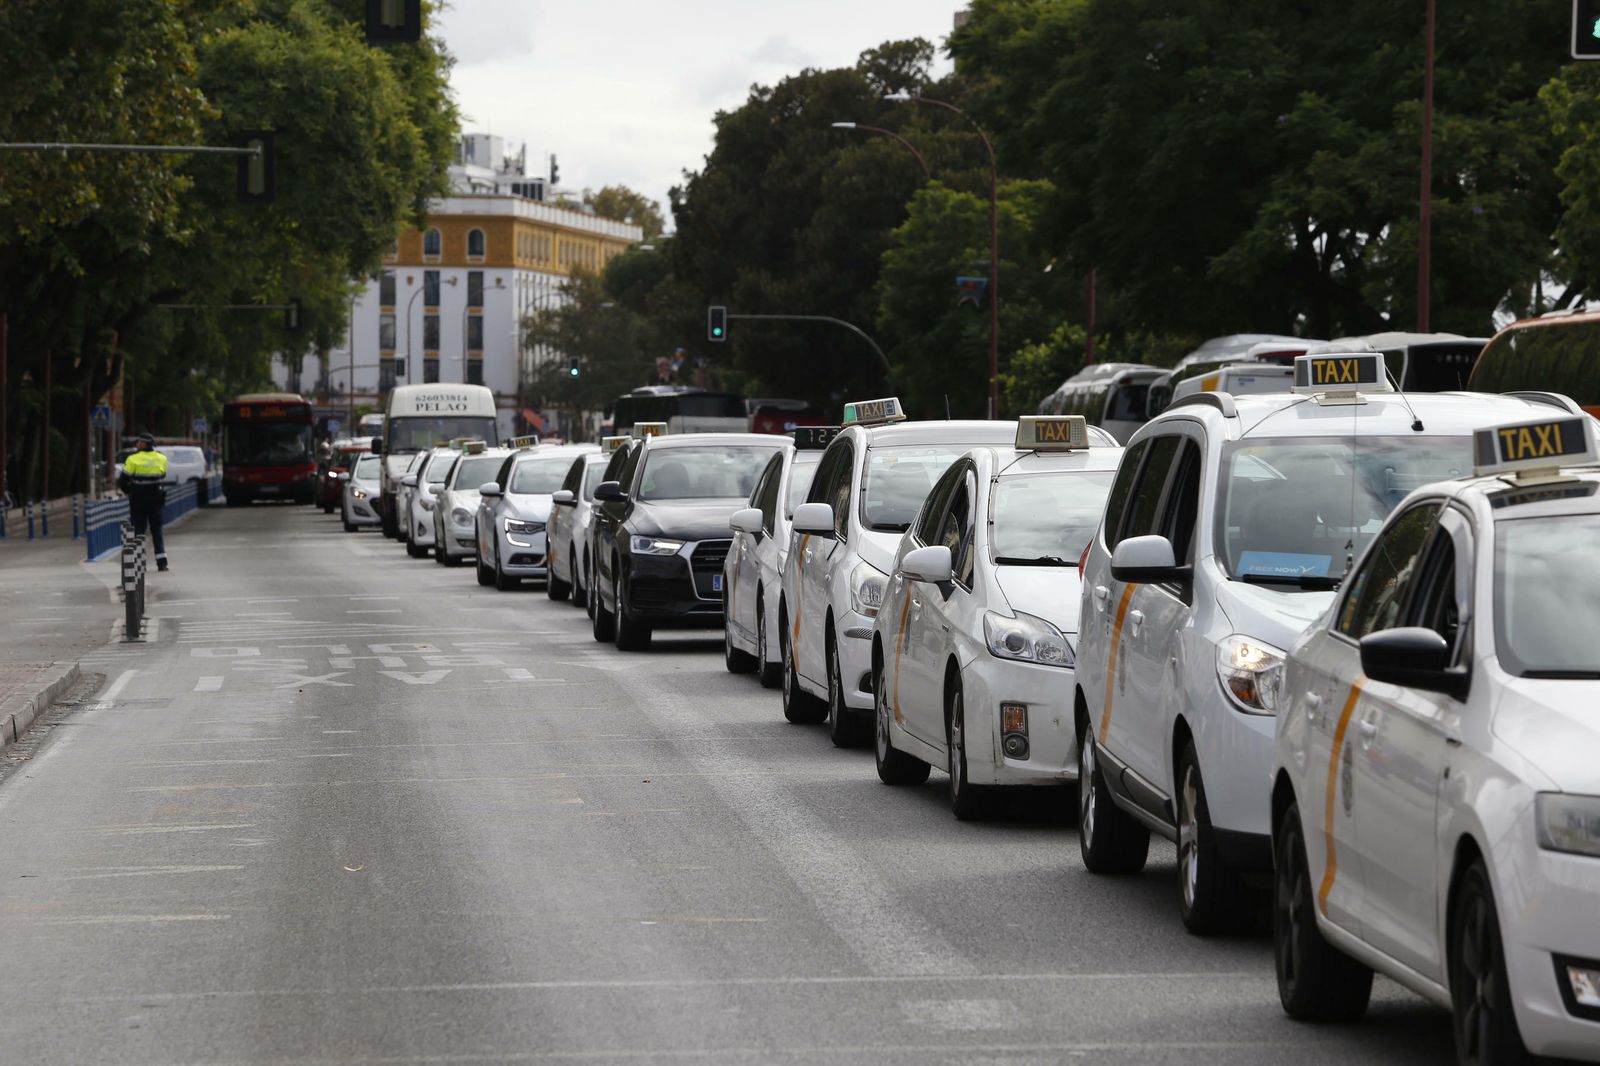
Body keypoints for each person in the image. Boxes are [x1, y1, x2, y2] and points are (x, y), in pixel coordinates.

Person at [118, 433, 170, 571]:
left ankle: (140, 564)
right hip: (156, 500)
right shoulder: (162, 458)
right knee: (157, 531)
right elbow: (163, 474)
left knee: (139, 532)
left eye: (139, 442)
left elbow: (122, 481)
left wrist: (130, 491)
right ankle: (162, 563)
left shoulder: (133, 459)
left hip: (138, 500)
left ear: (144, 444)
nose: (137, 444)